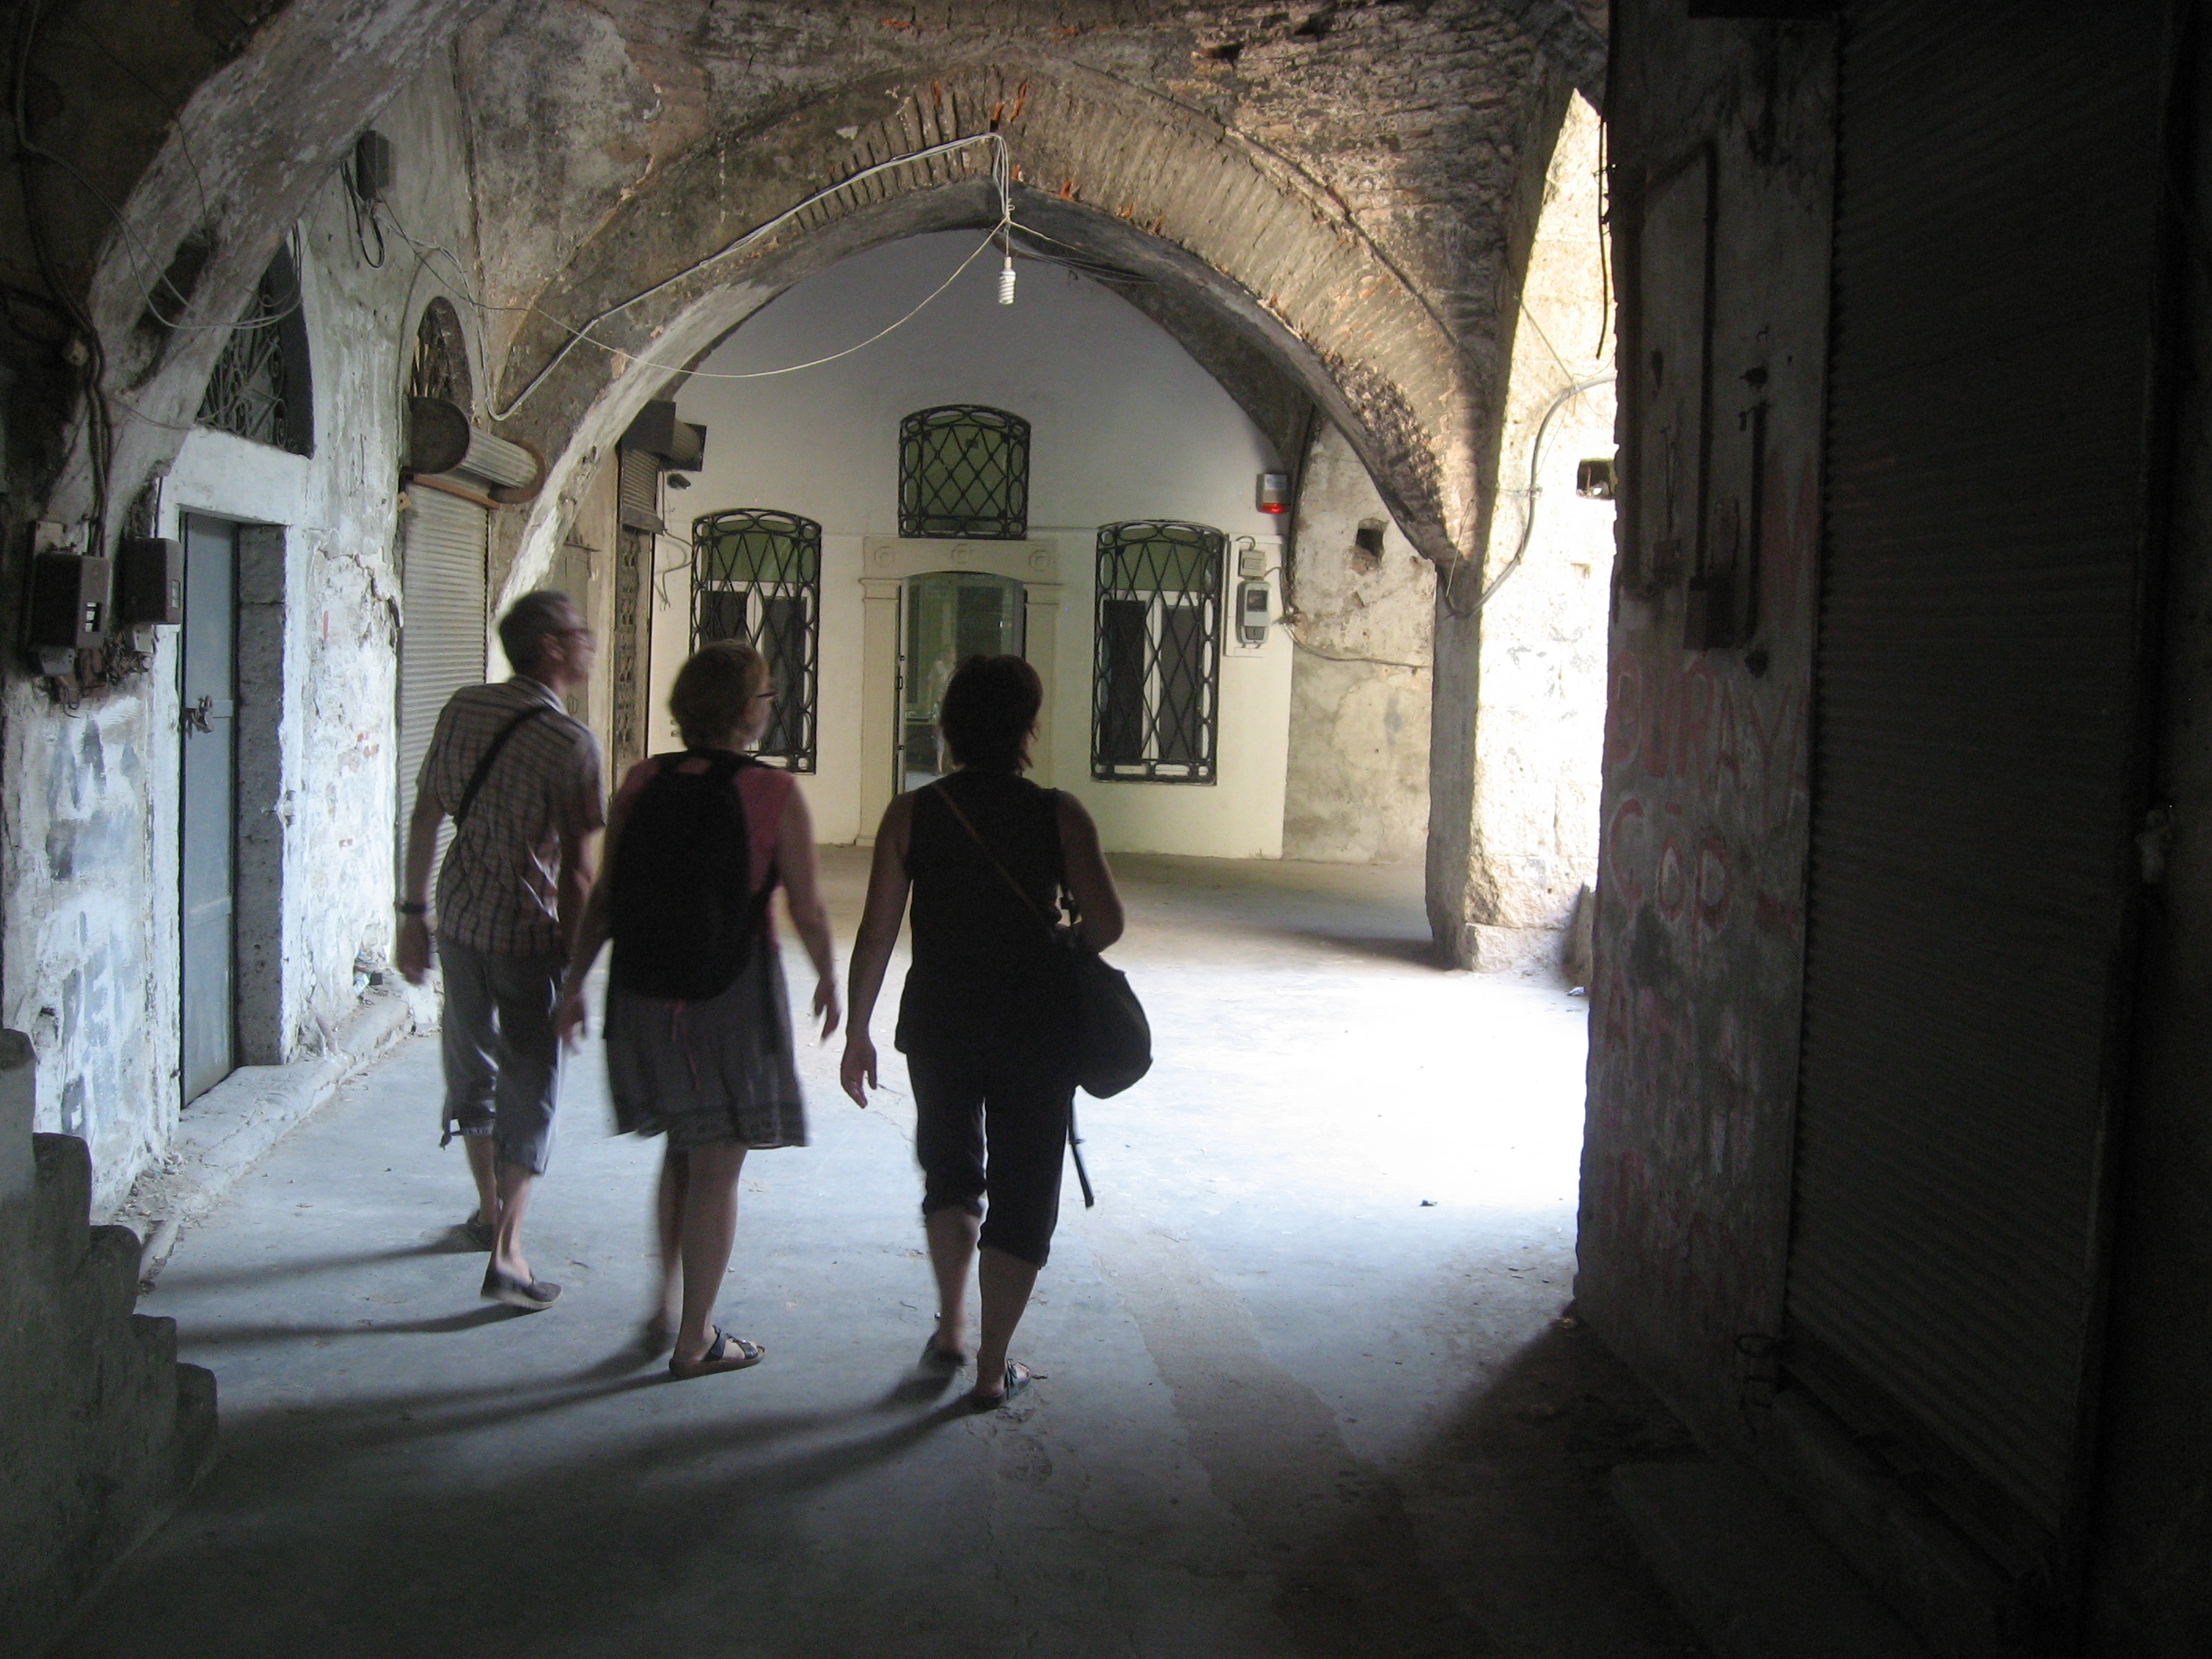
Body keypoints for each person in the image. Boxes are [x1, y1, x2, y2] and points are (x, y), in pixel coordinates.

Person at [840, 654, 1124, 1410]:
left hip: (940, 1022)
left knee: (951, 1170)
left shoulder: (913, 813)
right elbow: (1107, 924)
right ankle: (993, 1370)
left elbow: (876, 933)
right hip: (1036, 1026)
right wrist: (1058, 942)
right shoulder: (1061, 814)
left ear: (950, 727)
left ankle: (952, 1327)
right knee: (1025, 1191)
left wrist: (858, 1031)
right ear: (1028, 730)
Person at [555, 640, 839, 1379]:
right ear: (747, 710)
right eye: (767, 696)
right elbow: (808, 908)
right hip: (730, 993)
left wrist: (574, 982)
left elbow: (606, 895)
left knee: (682, 1150)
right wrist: (829, 979)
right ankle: (696, 1338)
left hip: (644, 991)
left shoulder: (643, 779)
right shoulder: (773, 792)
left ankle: (664, 1303)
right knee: (718, 1165)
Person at [397, 590, 602, 1311]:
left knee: (473, 1067)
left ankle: (488, 1211)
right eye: (579, 631)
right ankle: (509, 1251)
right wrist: (577, 976)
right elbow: (577, 874)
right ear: (550, 646)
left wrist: (411, 915)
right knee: (532, 1083)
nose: (590, 641)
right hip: (525, 933)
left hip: (458, 920)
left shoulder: (463, 707)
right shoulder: (571, 744)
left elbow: (426, 814)